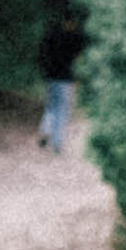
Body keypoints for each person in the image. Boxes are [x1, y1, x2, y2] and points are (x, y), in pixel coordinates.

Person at [36, 12, 85, 152]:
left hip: (51, 77)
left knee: (51, 106)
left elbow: (43, 54)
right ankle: (57, 142)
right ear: (72, 22)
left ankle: (45, 129)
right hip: (66, 79)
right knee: (63, 109)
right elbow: (78, 60)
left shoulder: (52, 35)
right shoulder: (74, 38)